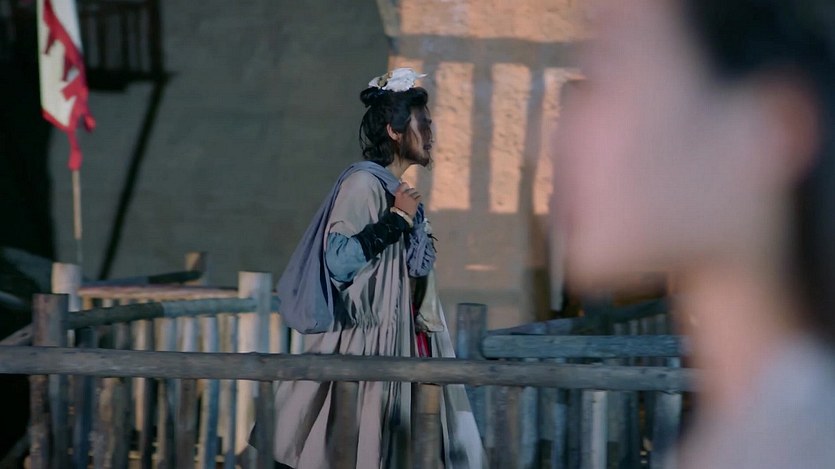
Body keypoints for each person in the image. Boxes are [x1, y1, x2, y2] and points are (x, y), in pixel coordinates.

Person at [555, 1, 835, 468]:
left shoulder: (802, 443)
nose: (565, 136)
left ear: (773, 127)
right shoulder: (751, 430)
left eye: (609, 69)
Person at [264, 68, 485, 469]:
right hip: (368, 342)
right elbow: (338, 259)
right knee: (359, 446)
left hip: (406, 339)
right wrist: (394, 221)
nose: (431, 134)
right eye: (423, 124)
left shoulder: (396, 191)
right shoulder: (364, 185)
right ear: (394, 131)